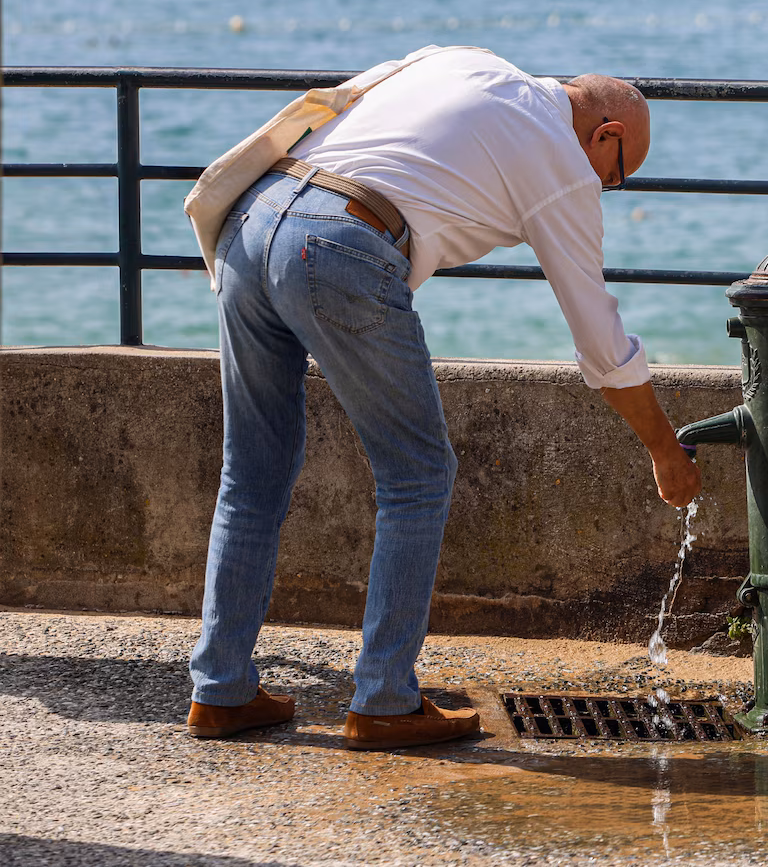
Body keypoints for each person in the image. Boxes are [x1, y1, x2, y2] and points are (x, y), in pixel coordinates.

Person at [184, 46, 703, 749]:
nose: (604, 190)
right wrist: (664, 450)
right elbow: (601, 341)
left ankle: (220, 693)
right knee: (419, 475)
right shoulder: (560, 159)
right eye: (615, 177)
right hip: (340, 242)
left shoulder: (465, 61)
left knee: (253, 468)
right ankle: (384, 702)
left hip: (254, 215)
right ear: (606, 135)